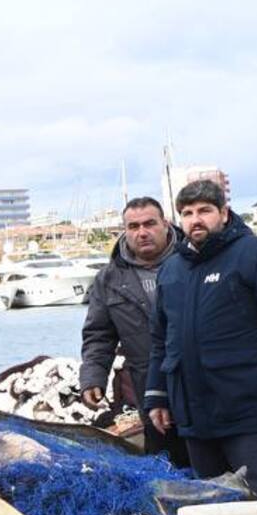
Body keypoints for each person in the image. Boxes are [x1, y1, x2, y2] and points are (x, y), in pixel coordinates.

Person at [144, 179, 257, 513]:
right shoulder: (172, 270)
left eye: (205, 210)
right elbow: (162, 341)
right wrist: (158, 396)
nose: (196, 219)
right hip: (195, 417)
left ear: (223, 213)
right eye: (188, 213)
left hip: (252, 413)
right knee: (214, 506)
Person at [80, 196, 188, 466]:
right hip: (148, 386)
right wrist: (93, 377)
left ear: (165, 224)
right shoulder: (109, 279)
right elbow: (99, 335)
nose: (142, 232)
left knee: (210, 461)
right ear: (125, 231)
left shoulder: (195, 262)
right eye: (134, 226)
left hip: (201, 382)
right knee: (165, 464)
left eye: (150, 224)